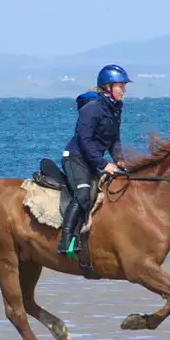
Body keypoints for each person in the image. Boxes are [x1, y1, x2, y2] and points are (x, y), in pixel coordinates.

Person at [58, 64, 130, 259]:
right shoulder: (92, 108)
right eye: (120, 86)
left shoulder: (116, 108)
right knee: (83, 194)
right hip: (76, 158)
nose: (124, 90)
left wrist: (119, 159)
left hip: (92, 160)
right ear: (107, 87)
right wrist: (104, 164)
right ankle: (65, 240)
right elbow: (84, 140)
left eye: (124, 86)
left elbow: (114, 138)